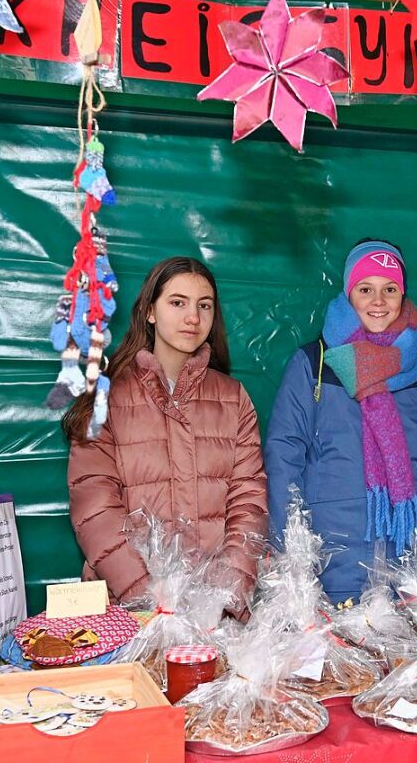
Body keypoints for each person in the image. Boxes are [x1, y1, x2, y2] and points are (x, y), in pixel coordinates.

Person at [265, 240, 417, 603]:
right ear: (348, 294)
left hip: (410, 569)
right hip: (331, 564)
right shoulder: (312, 364)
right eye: (365, 289)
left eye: (389, 289)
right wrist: (292, 562)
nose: (378, 301)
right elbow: (283, 463)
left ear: (402, 297)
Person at [65, 256, 267, 618]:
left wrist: (224, 596)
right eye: (178, 302)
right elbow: (94, 508)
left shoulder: (233, 398)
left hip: (214, 617)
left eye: (204, 306)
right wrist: (148, 596)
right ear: (150, 312)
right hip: (130, 613)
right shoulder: (106, 398)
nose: (193, 317)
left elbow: (248, 502)